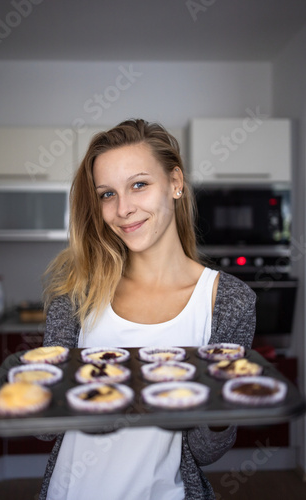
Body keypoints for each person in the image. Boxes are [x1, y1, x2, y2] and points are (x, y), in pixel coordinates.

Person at [39, 119, 256, 500]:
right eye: (107, 194)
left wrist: (219, 401)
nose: (123, 209)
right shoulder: (78, 293)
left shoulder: (228, 302)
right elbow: (45, 427)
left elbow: (206, 451)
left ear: (175, 182)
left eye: (139, 184)